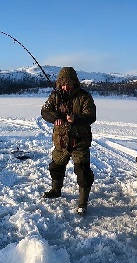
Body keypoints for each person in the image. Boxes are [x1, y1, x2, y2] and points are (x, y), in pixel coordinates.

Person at [40, 67, 96, 214]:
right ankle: (56, 190)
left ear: (75, 83)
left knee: (83, 172)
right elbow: (44, 111)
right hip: (61, 142)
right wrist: (55, 118)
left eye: (69, 83)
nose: (66, 86)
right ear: (59, 83)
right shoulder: (55, 96)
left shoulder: (84, 96)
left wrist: (76, 119)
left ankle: (82, 203)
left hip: (80, 142)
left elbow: (91, 116)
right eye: (63, 83)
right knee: (56, 167)